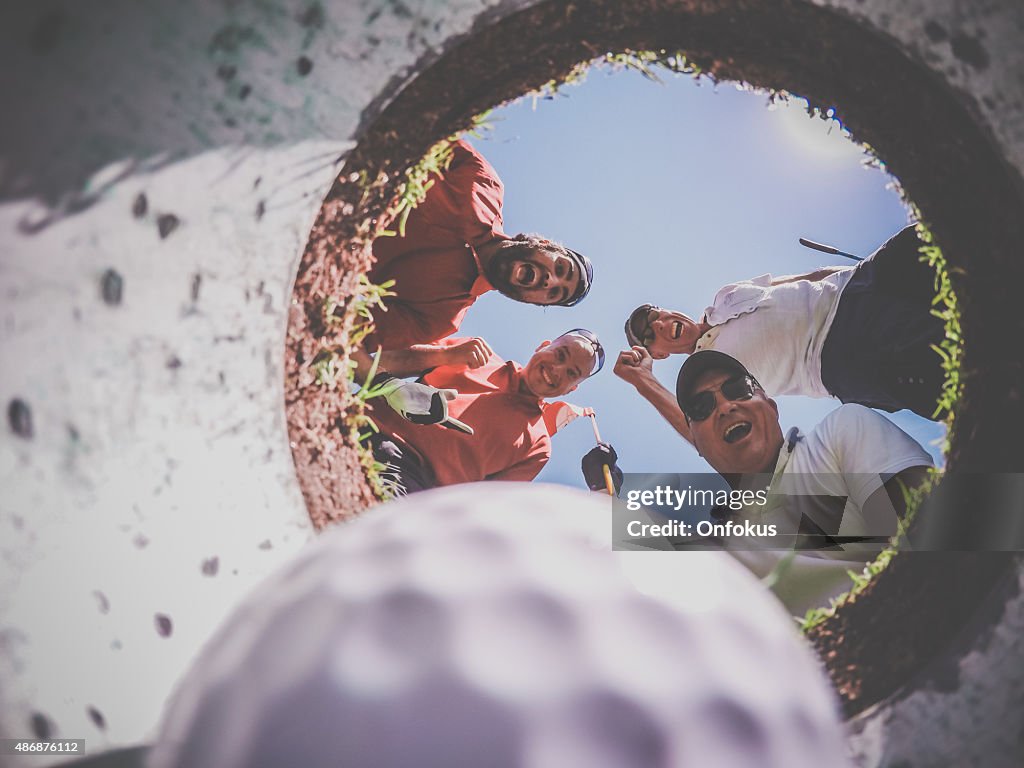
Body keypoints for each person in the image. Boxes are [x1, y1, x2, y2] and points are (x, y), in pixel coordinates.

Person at [590, 350, 933, 616]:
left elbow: (933, 539)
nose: (724, 407)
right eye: (701, 406)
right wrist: (602, 502)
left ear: (769, 404)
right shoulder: (721, 549)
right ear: (697, 442)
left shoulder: (841, 434)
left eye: (737, 389)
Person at [618, 226, 946, 430]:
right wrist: (643, 382)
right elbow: (700, 434)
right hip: (838, 353)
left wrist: (855, 270)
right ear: (658, 354)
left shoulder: (724, 296)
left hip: (857, 284)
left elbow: (797, 280)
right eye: (649, 335)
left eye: (654, 314)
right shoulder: (706, 373)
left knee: (932, 239)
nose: (659, 324)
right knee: (944, 355)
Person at [364, 139, 593, 350]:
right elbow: (421, 133)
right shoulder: (486, 185)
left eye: (554, 293)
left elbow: (350, 329)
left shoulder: (440, 318)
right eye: (561, 268)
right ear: (546, 244)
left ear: (532, 301)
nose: (549, 280)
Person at [363, 328, 605, 494]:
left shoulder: (538, 445)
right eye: (560, 354)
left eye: (572, 373)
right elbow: (379, 362)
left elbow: (481, 500)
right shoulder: (475, 354)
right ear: (542, 346)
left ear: (571, 390)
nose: (558, 369)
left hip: (408, 480)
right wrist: (445, 355)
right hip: (363, 420)